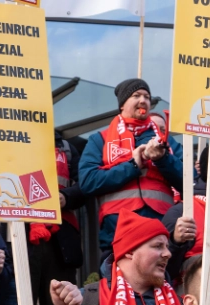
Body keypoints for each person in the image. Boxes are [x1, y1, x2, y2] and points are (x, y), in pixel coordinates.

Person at [77, 78, 184, 262]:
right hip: (116, 234)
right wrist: (132, 166)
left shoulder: (167, 142)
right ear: (122, 105)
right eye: (136, 95)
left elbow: (190, 181)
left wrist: (163, 159)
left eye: (147, 97)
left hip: (160, 230)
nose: (143, 100)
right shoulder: (99, 140)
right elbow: (87, 182)